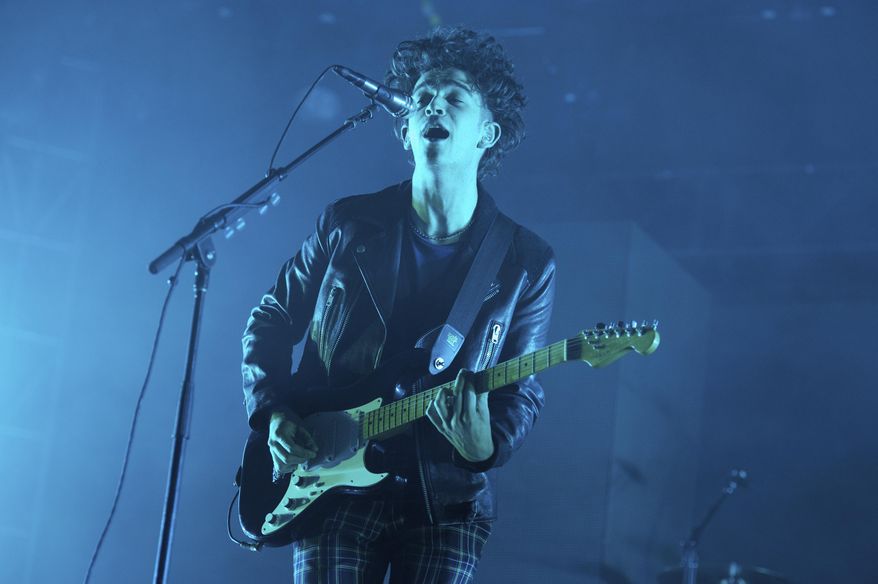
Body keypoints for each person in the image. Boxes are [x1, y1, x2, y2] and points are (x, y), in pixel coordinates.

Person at [241, 26, 555, 583]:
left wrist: (486, 446)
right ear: (406, 131)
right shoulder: (348, 223)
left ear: (488, 133)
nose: (434, 104)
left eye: (454, 96)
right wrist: (272, 411)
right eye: (423, 98)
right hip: (330, 478)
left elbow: (520, 394)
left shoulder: (525, 261)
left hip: (446, 500)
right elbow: (271, 318)